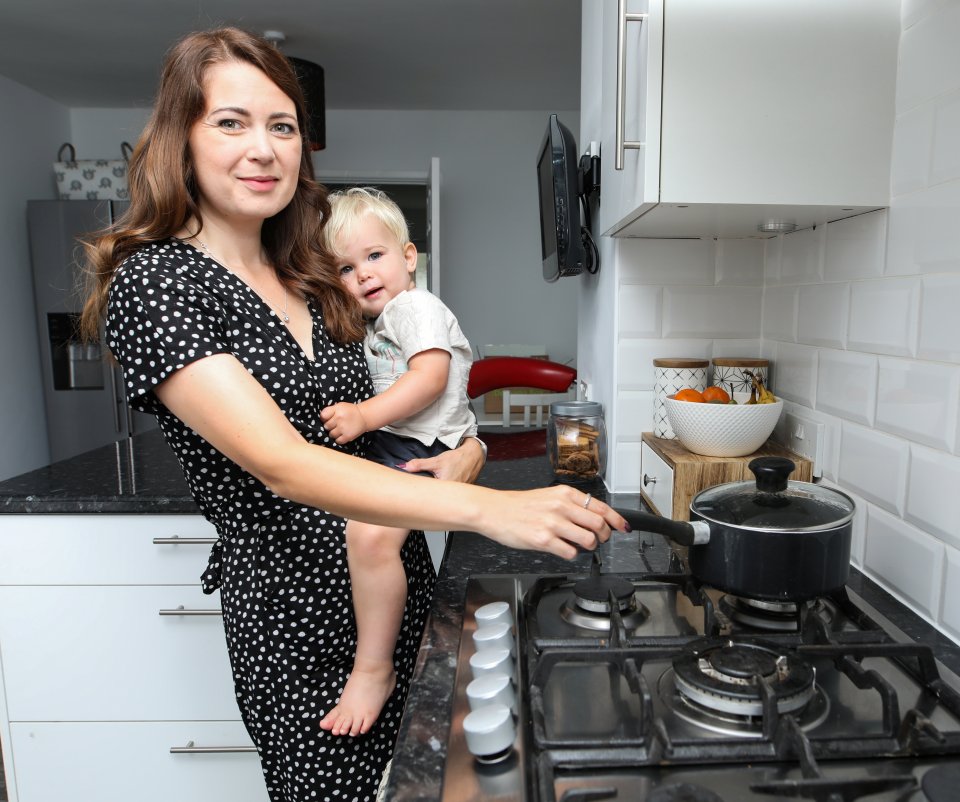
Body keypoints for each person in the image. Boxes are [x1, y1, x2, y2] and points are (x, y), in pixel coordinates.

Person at [79, 27, 625, 802]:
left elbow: (407, 411)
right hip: (295, 620)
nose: (263, 148)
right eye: (231, 122)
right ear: (181, 138)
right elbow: (284, 463)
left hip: (397, 584)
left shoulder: (312, 280)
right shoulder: (159, 285)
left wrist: (465, 457)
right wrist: (490, 508)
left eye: (283, 126)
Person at [316, 187, 478, 737]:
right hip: (407, 441)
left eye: (374, 256)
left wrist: (362, 417)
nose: (362, 274)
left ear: (410, 257)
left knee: (368, 538)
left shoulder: (414, 307)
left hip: (419, 445)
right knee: (373, 540)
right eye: (345, 266)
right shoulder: (382, 319)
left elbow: (430, 378)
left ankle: (373, 667)